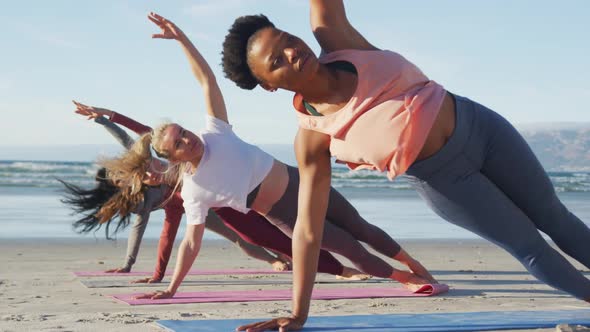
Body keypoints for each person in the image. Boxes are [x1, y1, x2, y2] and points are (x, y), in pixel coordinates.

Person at [220, 1, 590, 330]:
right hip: (449, 183)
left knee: (554, 216)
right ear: (269, 85)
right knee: (530, 247)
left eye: (285, 38)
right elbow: (307, 231)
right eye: (276, 61)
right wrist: (298, 313)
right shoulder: (314, 137)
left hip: (482, 128)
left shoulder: (339, 41)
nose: (290, 51)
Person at [131, 12, 435, 300]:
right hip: (287, 217)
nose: (188, 139)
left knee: (361, 227)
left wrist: (182, 39)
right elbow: (191, 243)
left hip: (301, 183)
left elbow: (206, 80)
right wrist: (171, 288)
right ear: (175, 158)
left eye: (183, 131)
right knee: (353, 250)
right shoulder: (195, 190)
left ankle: (414, 263)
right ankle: (404, 278)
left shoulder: (216, 132)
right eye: (179, 143)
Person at [74, 103, 372, 283]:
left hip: (240, 182)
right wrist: (156, 273)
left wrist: (107, 116)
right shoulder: (164, 198)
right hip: (221, 206)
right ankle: (340, 269)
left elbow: (141, 133)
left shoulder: (159, 154)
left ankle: (358, 247)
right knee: (262, 238)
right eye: (145, 177)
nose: (151, 173)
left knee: (307, 221)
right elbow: (168, 234)